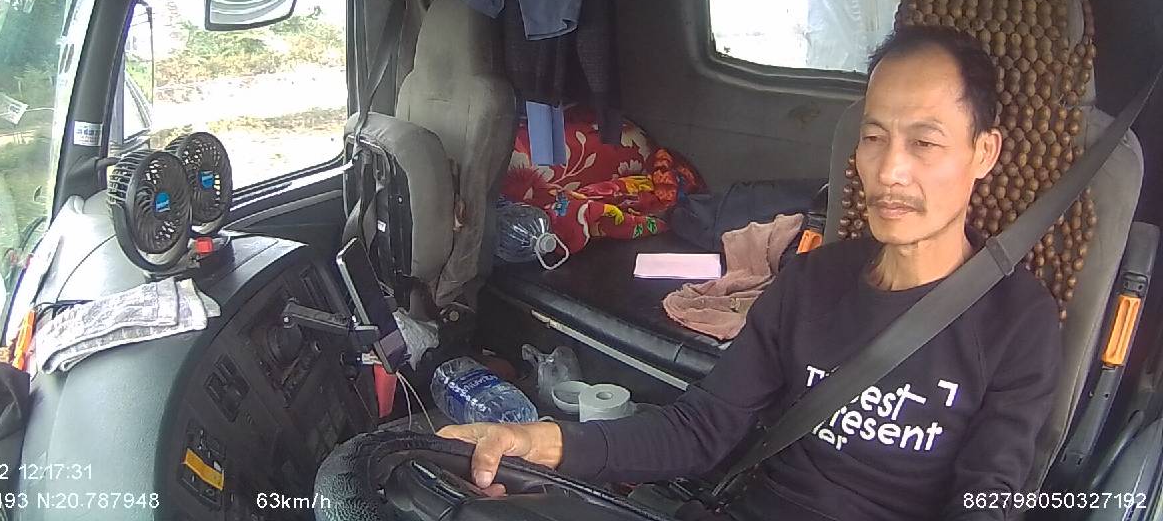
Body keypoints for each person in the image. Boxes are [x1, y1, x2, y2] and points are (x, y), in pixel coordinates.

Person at [438, 26, 1061, 520]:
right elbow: (699, 429)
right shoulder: (813, 280)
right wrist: (535, 441)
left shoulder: (1017, 321)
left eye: (924, 142)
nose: (890, 170)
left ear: (984, 152)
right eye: (874, 137)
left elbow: (988, 499)